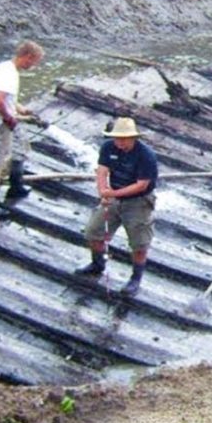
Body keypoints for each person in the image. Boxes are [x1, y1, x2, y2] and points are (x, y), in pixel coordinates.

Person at [73, 117, 159, 297]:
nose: (119, 142)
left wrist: (112, 194)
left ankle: (135, 279)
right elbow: (102, 171)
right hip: (113, 195)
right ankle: (97, 264)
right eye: (117, 138)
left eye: (124, 139)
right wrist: (102, 191)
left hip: (138, 201)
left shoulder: (146, 155)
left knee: (139, 243)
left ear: (134, 138)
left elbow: (141, 185)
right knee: (93, 231)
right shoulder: (108, 147)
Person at [0, 40, 44, 217]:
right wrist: (9, 118)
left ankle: (16, 186)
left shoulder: (5, 68)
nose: (34, 66)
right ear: (27, 57)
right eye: (35, 62)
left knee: (21, 147)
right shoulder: (9, 75)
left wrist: (21, 109)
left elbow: (6, 99)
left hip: (5, 118)